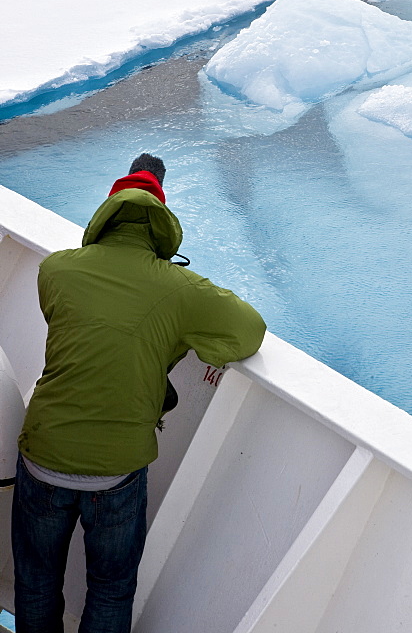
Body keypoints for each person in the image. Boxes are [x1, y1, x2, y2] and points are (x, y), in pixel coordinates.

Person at [12, 153, 266, 633]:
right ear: (164, 228)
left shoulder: (58, 269)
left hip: (44, 452)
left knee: (36, 580)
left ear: (104, 217)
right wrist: (183, 342)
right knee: (110, 588)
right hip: (116, 470)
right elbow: (248, 332)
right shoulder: (179, 286)